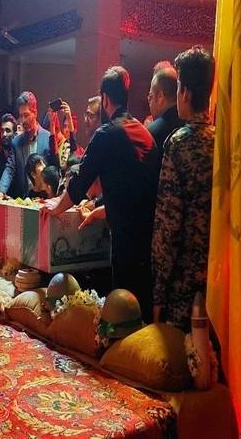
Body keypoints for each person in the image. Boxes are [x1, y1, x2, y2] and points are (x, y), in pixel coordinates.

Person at [42, 66, 160, 322]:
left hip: (126, 237)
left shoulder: (106, 135)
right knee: (142, 306)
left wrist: (56, 208)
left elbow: (79, 183)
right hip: (151, 236)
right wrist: (101, 210)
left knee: (123, 310)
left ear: (105, 98)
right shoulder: (144, 133)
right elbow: (138, 189)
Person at [151, 45, 216, 331]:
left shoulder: (179, 143)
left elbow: (168, 226)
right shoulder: (224, 142)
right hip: (220, 281)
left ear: (185, 92)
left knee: (182, 354)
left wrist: (158, 293)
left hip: (184, 286)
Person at [0, 92, 52, 198]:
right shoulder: (16, 143)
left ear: (35, 113)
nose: (23, 120)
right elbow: (9, 169)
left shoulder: (48, 138)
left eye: (26, 115)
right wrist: (1, 192)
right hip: (23, 200)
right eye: (21, 116)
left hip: (45, 200)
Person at [147, 61, 184, 151]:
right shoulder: (191, 127)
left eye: (151, 96)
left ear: (160, 97)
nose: (149, 101)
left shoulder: (152, 133)